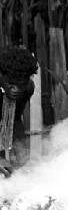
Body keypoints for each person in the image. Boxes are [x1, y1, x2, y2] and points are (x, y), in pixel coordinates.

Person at [0, 47, 37, 177]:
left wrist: (21, 151)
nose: (16, 89)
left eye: (21, 84)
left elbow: (15, 119)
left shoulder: (28, 88)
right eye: (11, 83)